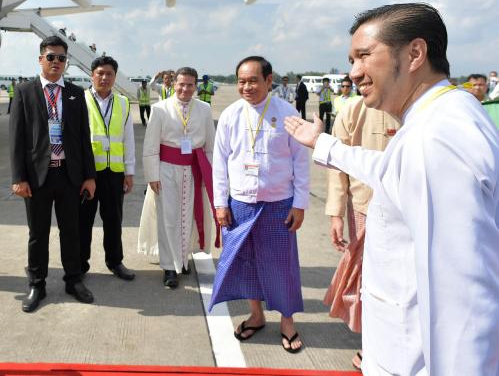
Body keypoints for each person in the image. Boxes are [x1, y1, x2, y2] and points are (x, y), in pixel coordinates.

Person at [284, 3, 499, 376]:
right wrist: (324, 145)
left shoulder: (436, 138)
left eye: (365, 56)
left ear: (415, 54)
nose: (353, 73)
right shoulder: (439, 117)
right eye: (352, 60)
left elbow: (463, 301)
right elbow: (390, 170)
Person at [209, 56, 309, 354]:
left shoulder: (288, 113)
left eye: (253, 80)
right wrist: (220, 204)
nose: (246, 86)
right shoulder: (230, 114)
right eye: (241, 81)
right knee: (248, 262)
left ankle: (287, 321)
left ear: (269, 80)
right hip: (240, 204)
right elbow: (220, 163)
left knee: (281, 265)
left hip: (279, 204)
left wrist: (300, 203)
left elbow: (301, 162)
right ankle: (256, 314)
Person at [10, 35, 97, 313]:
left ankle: (73, 280)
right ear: (40, 59)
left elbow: (84, 137)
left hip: (69, 176)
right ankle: (37, 283)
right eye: (51, 57)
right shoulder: (24, 92)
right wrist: (18, 177)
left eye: (61, 58)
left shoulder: (74, 93)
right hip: (37, 177)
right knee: (38, 233)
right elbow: (17, 138)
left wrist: (89, 176)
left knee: (71, 231)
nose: (56, 62)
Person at [323, 96, 400, 370]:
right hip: (364, 210)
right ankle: (372, 345)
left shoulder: (418, 107)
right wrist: (335, 214)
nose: (359, 74)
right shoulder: (352, 110)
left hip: (409, 213)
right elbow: (337, 167)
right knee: (366, 280)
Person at [138, 67, 217, 288]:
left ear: (196, 86)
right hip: (166, 169)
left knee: (190, 216)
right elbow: (151, 146)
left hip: (194, 170)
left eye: (190, 85)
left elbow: (210, 146)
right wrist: (152, 175)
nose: (185, 88)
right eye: (181, 84)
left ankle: (183, 258)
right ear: (174, 84)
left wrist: (208, 175)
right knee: (168, 218)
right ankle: (169, 266)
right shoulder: (160, 109)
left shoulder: (204, 109)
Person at [79, 56, 136, 281]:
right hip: (87, 174)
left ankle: (115, 261)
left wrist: (129, 172)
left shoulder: (122, 103)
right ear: (92, 74)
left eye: (109, 74)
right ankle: (80, 264)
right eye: (100, 73)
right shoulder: (79, 100)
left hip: (114, 172)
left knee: (113, 220)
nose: (104, 77)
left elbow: (128, 139)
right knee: (83, 221)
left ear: (114, 77)